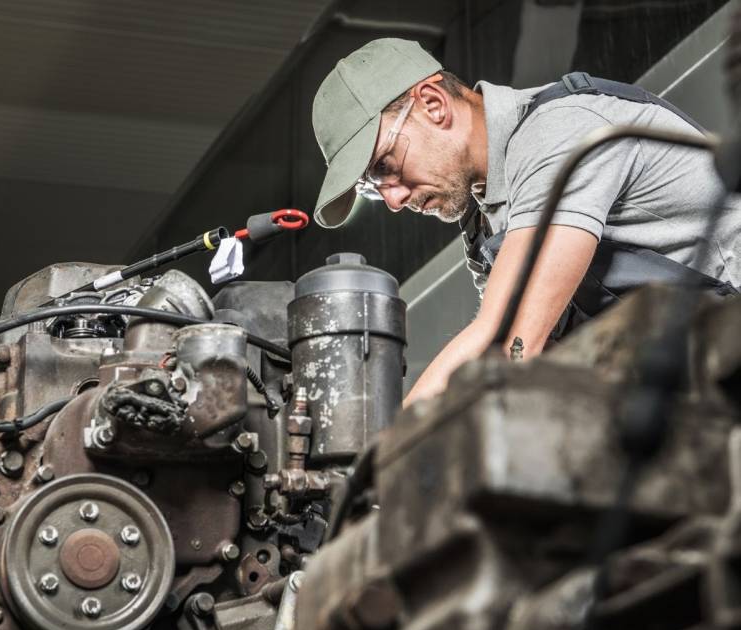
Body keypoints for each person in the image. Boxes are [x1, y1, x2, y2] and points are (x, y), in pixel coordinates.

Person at [311, 38, 739, 407]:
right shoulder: (487, 227)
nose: (393, 199)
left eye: (386, 165)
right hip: (692, 385)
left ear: (433, 104)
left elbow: (512, 341)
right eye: (373, 187)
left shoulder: (560, 132)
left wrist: (382, 458)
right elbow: (541, 366)